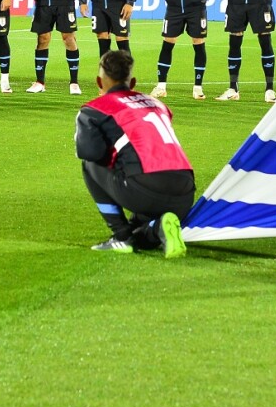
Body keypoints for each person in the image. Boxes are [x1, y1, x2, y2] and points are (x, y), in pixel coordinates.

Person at [75, 50, 194, 257]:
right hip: (185, 194)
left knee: (89, 163)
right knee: (140, 234)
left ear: (98, 82)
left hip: (145, 190)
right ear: (133, 82)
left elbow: (90, 152)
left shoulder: (94, 110)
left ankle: (120, 236)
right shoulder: (158, 104)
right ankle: (158, 227)